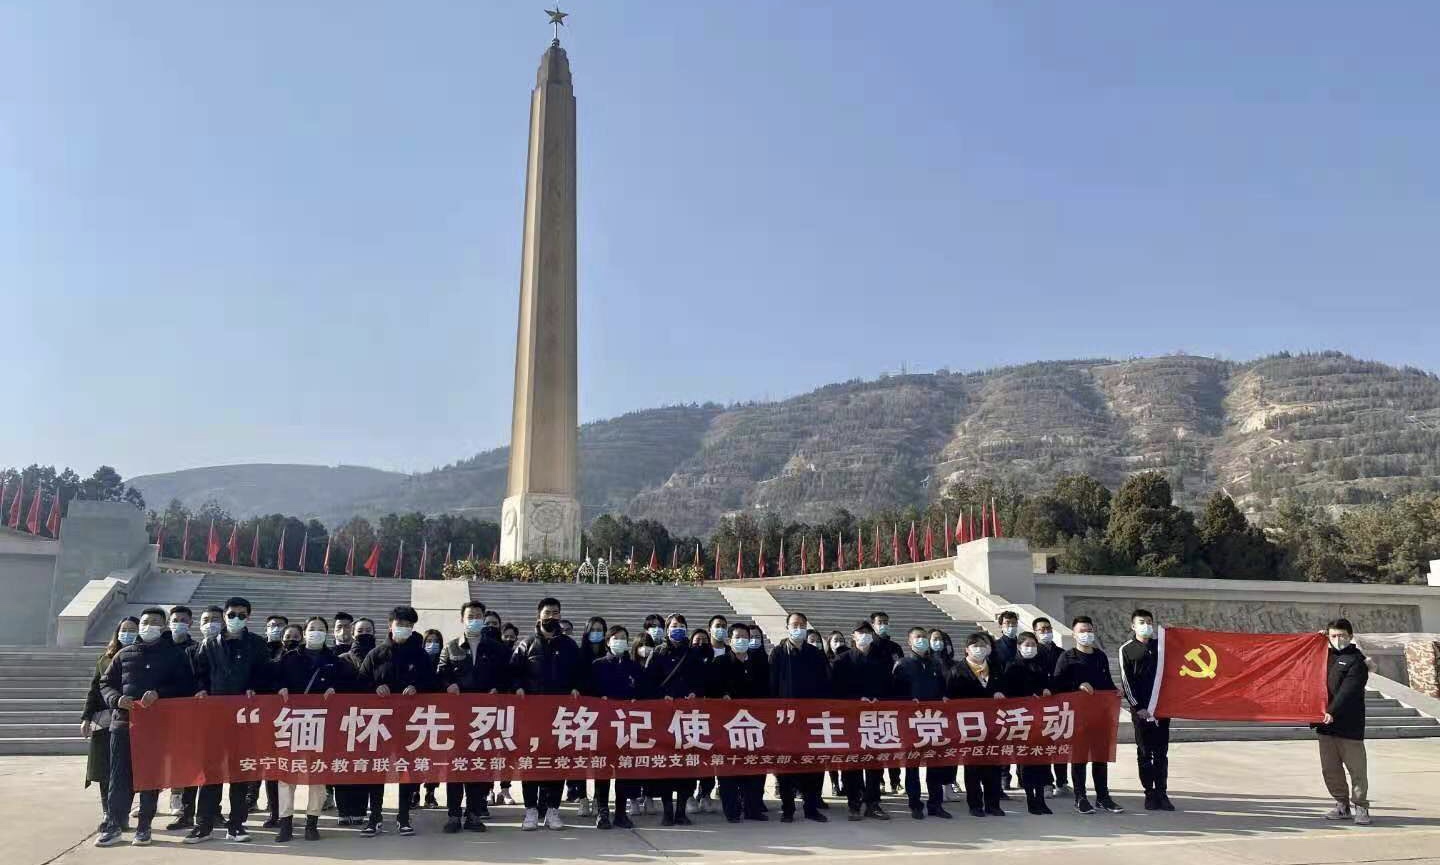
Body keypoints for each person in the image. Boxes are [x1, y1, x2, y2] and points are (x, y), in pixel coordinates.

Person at [94, 607, 197, 847]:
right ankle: (113, 825)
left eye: (155, 623)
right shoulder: (124, 654)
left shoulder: (174, 655)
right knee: (118, 777)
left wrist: (160, 694)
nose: (149, 626)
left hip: (156, 726)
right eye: (146, 622)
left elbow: (185, 686)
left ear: (163, 627)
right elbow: (105, 683)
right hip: (122, 724)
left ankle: (144, 826)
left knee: (150, 777)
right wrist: (116, 700)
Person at [190, 596, 272, 844]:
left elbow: (264, 674)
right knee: (211, 773)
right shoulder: (209, 644)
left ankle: (236, 824)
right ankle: (203, 825)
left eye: (242, 615)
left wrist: (254, 689)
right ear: (224, 616)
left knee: (240, 773)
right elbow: (199, 673)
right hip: (215, 718)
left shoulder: (257, 644)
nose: (236, 618)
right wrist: (201, 689)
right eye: (232, 614)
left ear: (249, 617)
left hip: (245, 719)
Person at [271, 616, 356, 842]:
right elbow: (273, 680)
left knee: (317, 774)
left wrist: (335, 690)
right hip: (291, 723)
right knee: (286, 774)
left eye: (320, 629)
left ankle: (312, 822)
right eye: (311, 629)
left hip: (321, 724)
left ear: (327, 634)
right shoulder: (288, 657)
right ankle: (286, 823)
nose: (315, 632)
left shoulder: (334, 661)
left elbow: (348, 686)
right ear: (305, 632)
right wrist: (280, 688)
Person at [357, 605, 438, 837]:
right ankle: (375, 817)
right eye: (400, 624)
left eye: (409, 625)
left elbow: (432, 683)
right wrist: (375, 687)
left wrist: (417, 687)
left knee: (406, 770)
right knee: (377, 770)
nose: (404, 629)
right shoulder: (376, 654)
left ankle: (404, 817)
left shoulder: (420, 655)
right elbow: (360, 682)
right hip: (379, 724)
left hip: (409, 724)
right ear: (390, 625)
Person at [511, 597, 584, 831]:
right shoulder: (526, 644)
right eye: (547, 612)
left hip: (561, 716)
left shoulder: (570, 646)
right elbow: (513, 672)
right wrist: (517, 687)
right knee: (531, 763)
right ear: (538, 615)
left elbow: (581, 673)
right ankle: (531, 810)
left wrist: (576, 687)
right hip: (532, 716)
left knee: (558, 762)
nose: (552, 616)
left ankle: (553, 810)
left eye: (556, 613)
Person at [439, 600, 508, 833]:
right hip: (458, 718)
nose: (475, 619)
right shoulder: (450, 647)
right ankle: (453, 815)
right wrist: (448, 685)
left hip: (484, 718)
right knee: (456, 767)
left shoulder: (496, 648)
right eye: (470, 616)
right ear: (462, 619)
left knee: (479, 768)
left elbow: (505, 676)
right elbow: (440, 675)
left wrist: (498, 689)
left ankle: (474, 814)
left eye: (478, 615)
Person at [1053, 616, 1123, 815]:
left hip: (1100, 716)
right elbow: (1057, 686)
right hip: (1077, 717)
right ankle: (1080, 797)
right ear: (1074, 634)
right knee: (1080, 758)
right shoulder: (1067, 657)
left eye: (1089, 630)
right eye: (1082, 631)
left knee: (1100, 757)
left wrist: (1115, 691)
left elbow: (1106, 682)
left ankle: (1103, 797)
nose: (1086, 634)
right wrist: (1077, 686)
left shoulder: (1099, 656)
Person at [770, 612, 830, 823]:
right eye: (794, 625)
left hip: (811, 719)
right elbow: (773, 685)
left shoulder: (815, 654)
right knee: (787, 764)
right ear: (787, 627)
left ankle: (811, 807)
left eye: (802, 625)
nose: (798, 628)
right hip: (785, 719)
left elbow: (825, 683)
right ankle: (788, 809)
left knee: (812, 764)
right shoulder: (778, 653)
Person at [646, 613, 705, 826]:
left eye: (681, 625)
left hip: (689, 717)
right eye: (673, 625)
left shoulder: (692, 654)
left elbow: (702, 681)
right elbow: (648, 683)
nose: (677, 628)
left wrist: (694, 693)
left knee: (687, 765)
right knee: (666, 765)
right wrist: (662, 697)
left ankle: (681, 810)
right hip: (665, 717)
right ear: (667, 629)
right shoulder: (658, 653)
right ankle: (667, 811)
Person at [830, 622, 893, 821]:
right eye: (860, 633)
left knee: (875, 762)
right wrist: (856, 700)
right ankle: (854, 803)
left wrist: (879, 699)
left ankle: (873, 803)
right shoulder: (842, 660)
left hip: (875, 718)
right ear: (853, 636)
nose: (864, 636)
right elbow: (836, 690)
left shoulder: (882, 660)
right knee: (852, 763)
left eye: (867, 632)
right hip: (851, 718)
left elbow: (889, 686)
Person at [707, 621, 768, 822]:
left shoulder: (759, 663)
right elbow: (711, 691)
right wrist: (723, 695)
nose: (742, 640)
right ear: (729, 640)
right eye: (738, 637)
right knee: (729, 768)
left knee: (755, 766)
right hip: (728, 725)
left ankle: (753, 808)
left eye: (745, 637)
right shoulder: (720, 663)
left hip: (754, 723)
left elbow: (767, 691)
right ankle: (732, 810)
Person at [84, 618, 138, 832]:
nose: (128, 633)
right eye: (124, 630)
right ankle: (108, 812)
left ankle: (121, 813)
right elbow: (94, 689)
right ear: (117, 632)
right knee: (104, 769)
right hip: (105, 719)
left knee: (126, 769)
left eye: (132, 630)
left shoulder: (142, 657)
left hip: (130, 720)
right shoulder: (104, 659)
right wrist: (86, 717)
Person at [587, 625, 643, 829]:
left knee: (624, 771)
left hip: (627, 727)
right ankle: (602, 811)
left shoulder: (634, 667)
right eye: (616, 638)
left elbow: (643, 692)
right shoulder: (598, 665)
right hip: (603, 726)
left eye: (623, 638)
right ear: (608, 641)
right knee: (603, 770)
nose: (620, 641)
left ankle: (621, 812)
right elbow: (589, 694)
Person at [1316, 618, 1371, 825]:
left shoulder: (1356, 660)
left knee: (1356, 769)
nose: (1339, 639)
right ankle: (1342, 805)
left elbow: (1349, 690)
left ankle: (1361, 807)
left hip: (1349, 725)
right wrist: (1316, 639)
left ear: (1350, 636)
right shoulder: (1324, 656)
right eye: (1334, 636)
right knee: (1330, 769)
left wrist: (1332, 711)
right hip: (1325, 725)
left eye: (1343, 636)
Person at [894, 626, 951, 819]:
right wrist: (907, 701)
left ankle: (936, 804)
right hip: (912, 723)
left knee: (935, 764)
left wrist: (943, 697)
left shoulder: (935, 664)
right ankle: (915, 804)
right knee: (913, 767)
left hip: (933, 722)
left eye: (924, 637)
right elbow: (896, 694)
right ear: (909, 642)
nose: (922, 640)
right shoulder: (903, 664)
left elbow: (943, 688)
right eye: (917, 637)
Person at [1120, 609, 1174, 811]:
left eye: (1149, 622)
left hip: (1162, 709)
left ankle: (1162, 792)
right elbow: (1127, 682)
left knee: (1162, 753)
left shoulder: (1161, 647)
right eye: (1142, 622)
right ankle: (1149, 793)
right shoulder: (1127, 649)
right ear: (1133, 626)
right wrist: (1138, 707)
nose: (1146, 625)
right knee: (1145, 752)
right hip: (1141, 711)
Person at [949, 632, 1006, 817]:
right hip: (970, 727)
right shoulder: (957, 670)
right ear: (966, 649)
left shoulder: (996, 669)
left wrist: (1000, 694)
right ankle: (975, 804)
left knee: (993, 766)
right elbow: (951, 698)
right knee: (972, 767)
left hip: (993, 726)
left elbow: (1007, 691)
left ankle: (993, 804)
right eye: (975, 646)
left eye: (982, 645)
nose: (979, 649)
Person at [258, 623, 304, 830]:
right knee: (273, 769)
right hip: (275, 720)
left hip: (299, 720)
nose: (291, 638)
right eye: (288, 635)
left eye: (295, 635)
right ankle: (274, 811)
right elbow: (264, 682)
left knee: (290, 770)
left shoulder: (305, 659)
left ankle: (288, 812)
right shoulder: (271, 659)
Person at [333, 616, 378, 828]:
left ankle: (360, 809)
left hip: (372, 720)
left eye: (368, 630)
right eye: (360, 630)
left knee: (364, 767)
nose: (364, 633)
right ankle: (343, 810)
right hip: (345, 720)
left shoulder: (380, 656)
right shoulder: (342, 658)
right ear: (353, 633)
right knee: (344, 766)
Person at [1003, 631, 1054, 815]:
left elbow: (1049, 683)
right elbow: (1009, 694)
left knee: (1041, 759)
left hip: (1040, 720)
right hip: (1022, 719)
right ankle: (1031, 798)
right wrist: (1027, 698)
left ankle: (1040, 798)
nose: (1030, 648)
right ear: (1019, 646)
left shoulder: (1041, 664)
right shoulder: (1012, 666)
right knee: (1026, 761)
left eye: (1033, 644)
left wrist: (1047, 689)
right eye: (1026, 645)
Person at [164, 606, 203, 831]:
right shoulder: (158, 646)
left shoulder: (195, 648)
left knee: (186, 760)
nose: (179, 622)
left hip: (187, 712)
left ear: (190, 623)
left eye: (183, 620)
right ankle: (145, 798)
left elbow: (199, 677)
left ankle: (182, 803)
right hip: (160, 711)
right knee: (159, 758)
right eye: (175, 619)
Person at [568, 615, 610, 816]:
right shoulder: (577, 654)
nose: (596, 633)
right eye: (593, 629)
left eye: (600, 629)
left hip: (605, 715)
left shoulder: (609, 654)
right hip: (582, 714)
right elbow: (572, 679)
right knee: (581, 759)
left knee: (602, 760)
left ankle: (600, 800)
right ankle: (582, 798)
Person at [1031, 616, 1069, 796]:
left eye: (1048, 628)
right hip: (1039, 707)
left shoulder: (1062, 653)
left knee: (1060, 745)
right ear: (1035, 632)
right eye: (1041, 629)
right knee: (1044, 746)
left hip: (1059, 705)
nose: (1046, 632)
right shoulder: (1032, 653)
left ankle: (1062, 781)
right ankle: (1047, 782)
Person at [868, 611, 904, 795]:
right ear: (872, 625)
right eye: (880, 622)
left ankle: (895, 780)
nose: (884, 625)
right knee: (877, 743)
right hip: (875, 701)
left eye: (886, 622)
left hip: (893, 700)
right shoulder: (870, 646)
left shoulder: (895, 647)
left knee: (893, 741)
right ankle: (879, 780)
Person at [418, 628, 446, 810]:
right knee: (415, 757)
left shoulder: (444, 663)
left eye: (436, 641)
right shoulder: (417, 660)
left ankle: (430, 792)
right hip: (417, 716)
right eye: (429, 641)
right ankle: (413, 791)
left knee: (434, 758)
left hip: (439, 716)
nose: (432, 644)